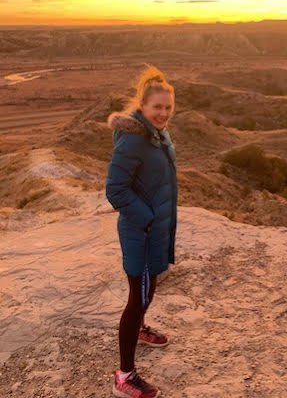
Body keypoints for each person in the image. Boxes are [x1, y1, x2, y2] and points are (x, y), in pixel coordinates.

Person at [105, 65, 177, 398]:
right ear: (143, 106)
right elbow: (115, 190)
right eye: (157, 107)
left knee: (148, 289)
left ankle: (140, 329)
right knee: (138, 298)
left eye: (168, 107)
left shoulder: (156, 134)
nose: (163, 113)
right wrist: (148, 219)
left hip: (154, 229)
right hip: (143, 232)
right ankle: (125, 375)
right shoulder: (135, 140)